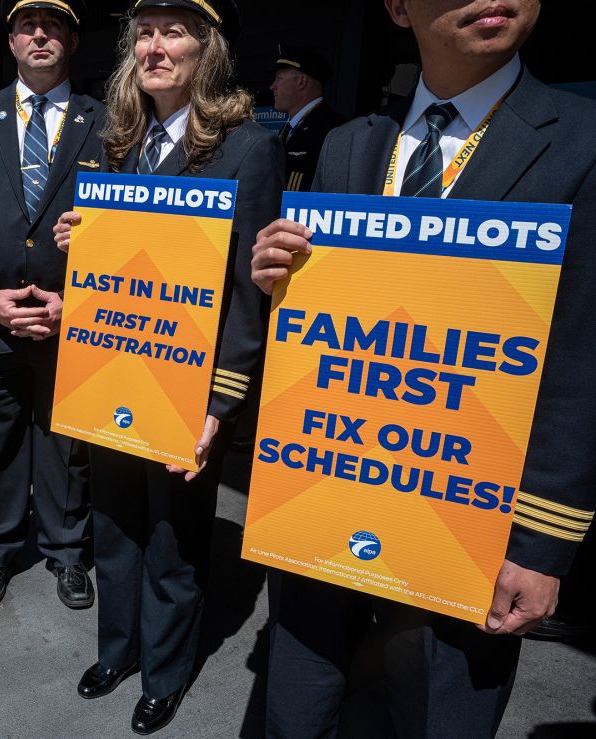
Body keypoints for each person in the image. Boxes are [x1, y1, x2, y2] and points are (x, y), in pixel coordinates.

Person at [250, 1, 596, 736]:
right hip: (327, 489)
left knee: (436, 717)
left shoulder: (583, 142)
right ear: (399, 8)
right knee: (298, 706)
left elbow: (581, 356)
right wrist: (275, 273)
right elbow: (321, 325)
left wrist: (541, 544)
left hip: (468, 516)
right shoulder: (349, 143)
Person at [52, 1, 281, 733]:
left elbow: (250, 294)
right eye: (144, 33)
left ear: (206, 49)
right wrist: (75, 239)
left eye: (173, 32)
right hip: (114, 369)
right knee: (114, 522)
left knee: (174, 538)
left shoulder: (246, 149)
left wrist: (221, 400)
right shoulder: (118, 142)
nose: (155, 47)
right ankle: (116, 648)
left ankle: (167, 670)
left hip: (188, 382)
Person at [0, 0, 98, 609]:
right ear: (9, 43)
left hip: (71, 321)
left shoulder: (106, 121)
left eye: (53, 26)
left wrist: (81, 293)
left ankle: (66, 553)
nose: (40, 35)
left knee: (66, 447)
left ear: (72, 42)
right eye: (28, 27)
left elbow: (129, 224)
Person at [270, 44, 345, 193]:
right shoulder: (288, 129)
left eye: (279, 78)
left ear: (301, 82)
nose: (273, 86)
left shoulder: (335, 130)